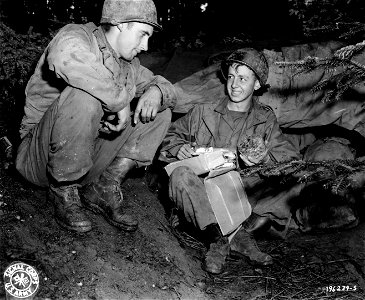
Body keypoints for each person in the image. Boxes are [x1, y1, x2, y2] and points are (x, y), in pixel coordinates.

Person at [16, 0, 178, 233]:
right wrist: (119, 99)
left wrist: (156, 91)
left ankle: (102, 188)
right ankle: (63, 192)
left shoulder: (130, 65)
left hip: (87, 161)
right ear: (121, 24)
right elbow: (65, 59)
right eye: (143, 35)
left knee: (159, 111)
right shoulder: (76, 36)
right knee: (85, 93)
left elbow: (167, 87)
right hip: (40, 158)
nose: (145, 46)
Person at [159, 48, 300, 274]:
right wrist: (179, 148)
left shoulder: (265, 119)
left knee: (291, 184)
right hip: (203, 192)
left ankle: (235, 233)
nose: (234, 84)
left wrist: (264, 158)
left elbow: (291, 161)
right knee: (180, 176)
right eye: (231, 77)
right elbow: (168, 136)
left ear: (256, 85)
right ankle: (222, 239)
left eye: (243, 78)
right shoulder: (202, 112)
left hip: (238, 193)